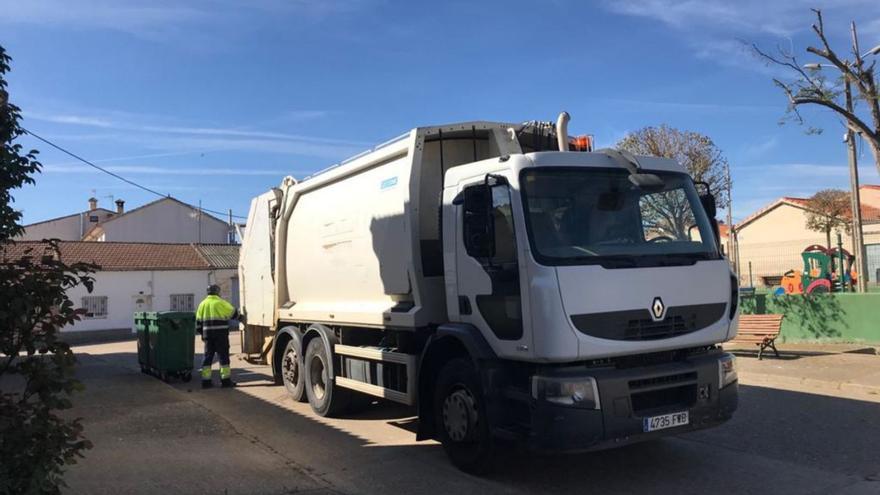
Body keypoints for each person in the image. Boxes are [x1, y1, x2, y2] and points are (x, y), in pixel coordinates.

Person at [196, 285, 239, 389]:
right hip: (221, 336)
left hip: (208, 336)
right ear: (217, 292)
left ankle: (206, 382)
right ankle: (225, 381)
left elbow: (198, 323)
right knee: (223, 357)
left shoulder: (202, 304)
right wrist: (242, 317)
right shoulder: (220, 302)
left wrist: (202, 334)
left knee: (207, 357)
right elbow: (234, 314)